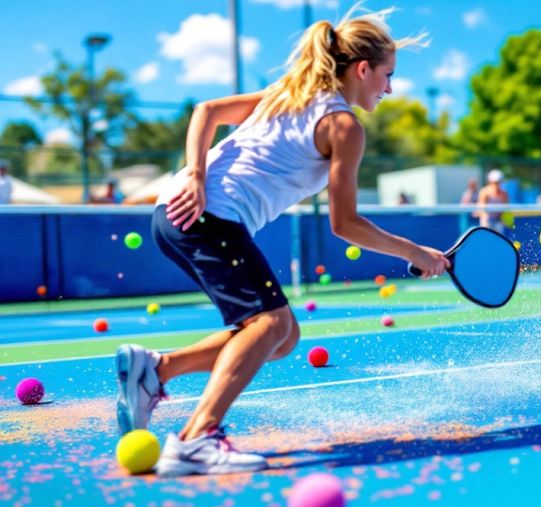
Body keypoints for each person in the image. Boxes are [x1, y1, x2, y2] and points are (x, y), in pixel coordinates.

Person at [114, 8, 448, 477]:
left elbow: (204, 111)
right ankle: (195, 439)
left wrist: (194, 171)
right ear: (363, 69)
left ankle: (157, 370)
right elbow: (344, 224)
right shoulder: (344, 126)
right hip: (207, 217)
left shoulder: (291, 95)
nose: (388, 88)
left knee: (284, 334)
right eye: (387, 76)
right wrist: (415, 252)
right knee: (269, 324)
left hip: (174, 214)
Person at [477, 169, 509, 235]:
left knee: (499, 239)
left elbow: (505, 208)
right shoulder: (484, 192)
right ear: (490, 181)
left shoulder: (504, 193)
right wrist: (486, 221)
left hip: (498, 220)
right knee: (486, 238)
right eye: (495, 182)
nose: (497, 184)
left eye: (498, 182)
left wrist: (500, 218)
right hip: (487, 220)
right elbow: (481, 209)